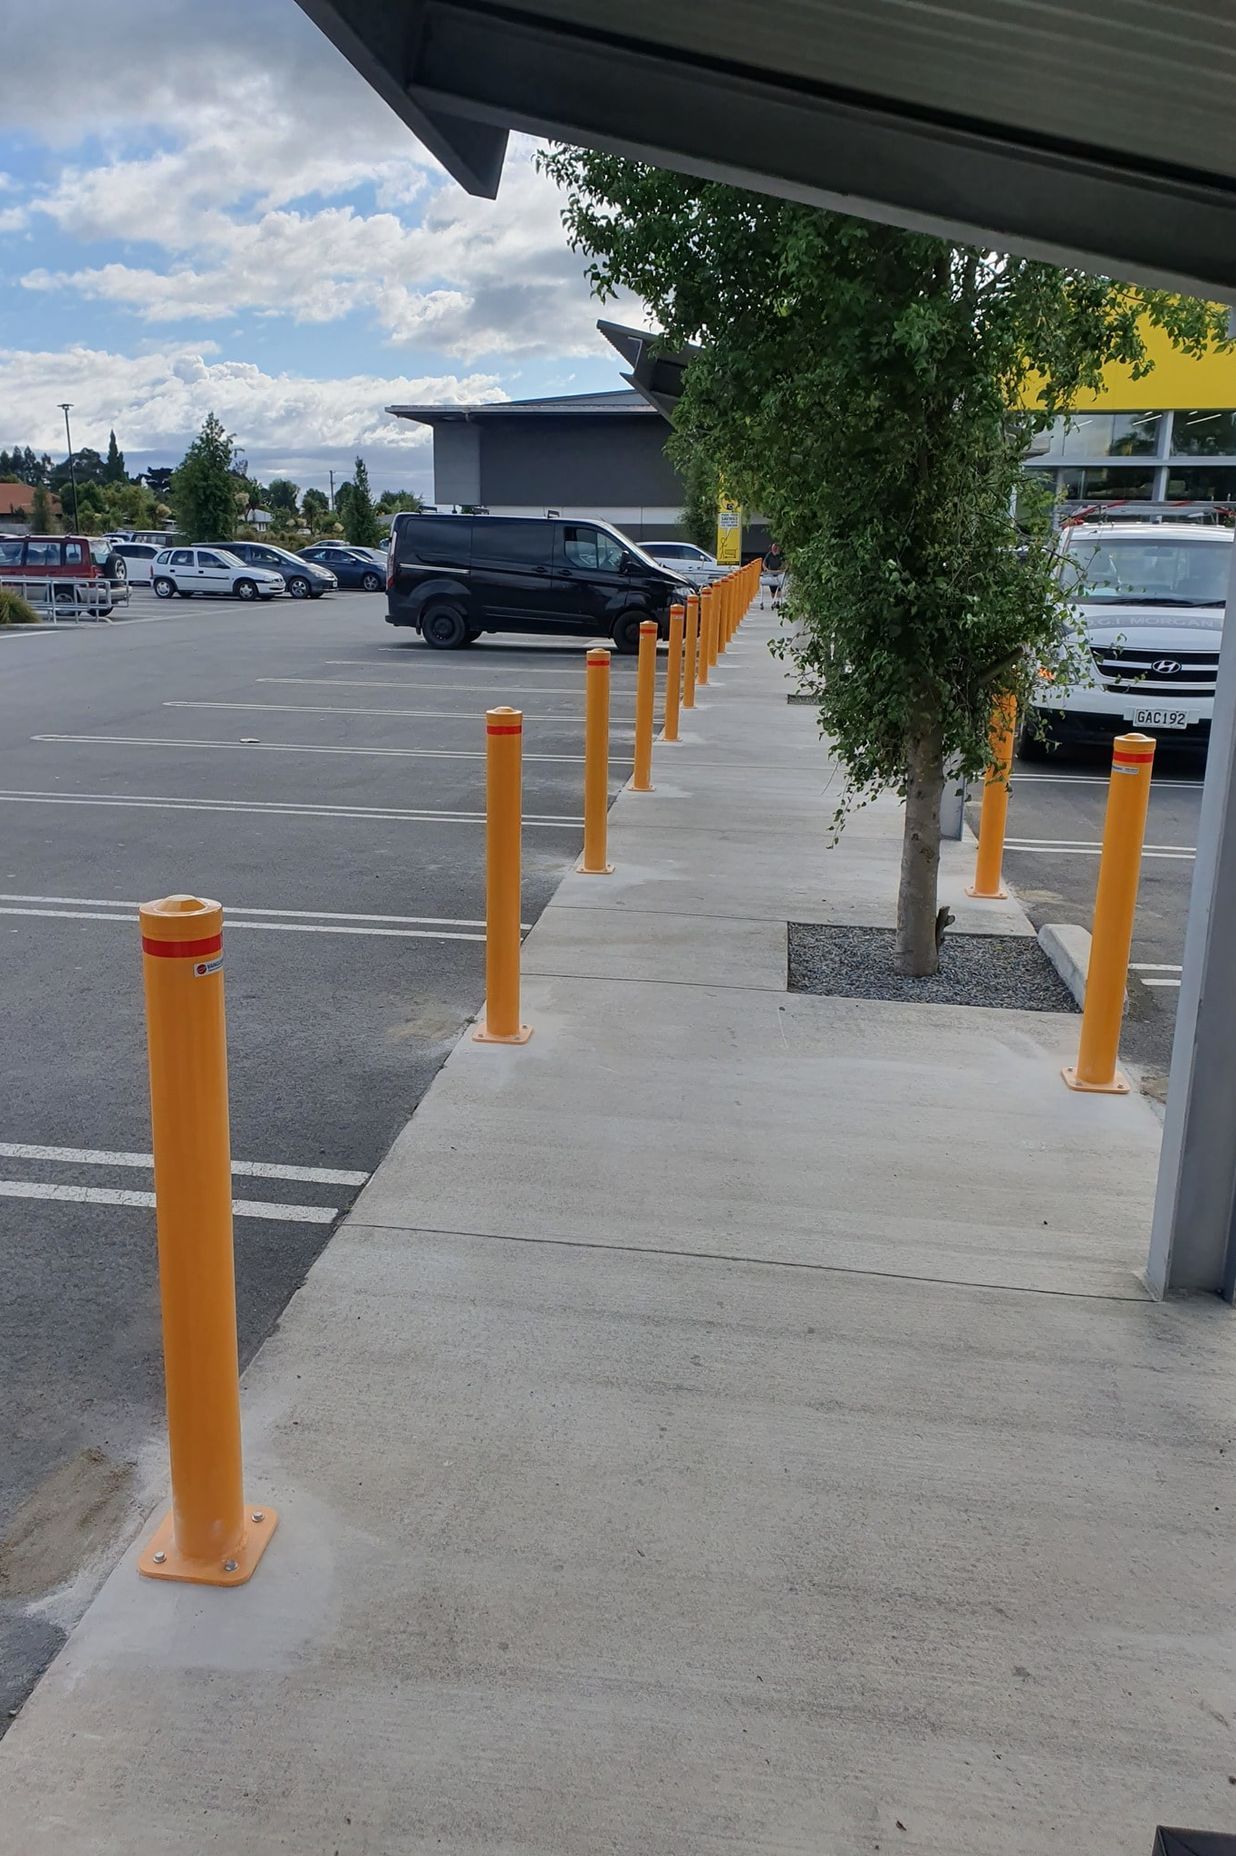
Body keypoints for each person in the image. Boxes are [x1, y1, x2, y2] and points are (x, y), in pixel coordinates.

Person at [762, 541, 786, 607]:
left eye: (776, 549)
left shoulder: (781, 555)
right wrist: (766, 569)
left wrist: (783, 569)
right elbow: (764, 563)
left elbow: (786, 563)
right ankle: (774, 601)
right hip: (771, 573)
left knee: (779, 588)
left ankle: (778, 601)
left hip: (779, 573)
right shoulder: (769, 554)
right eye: (774, 549)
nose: (775, 550)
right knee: (772, 589)